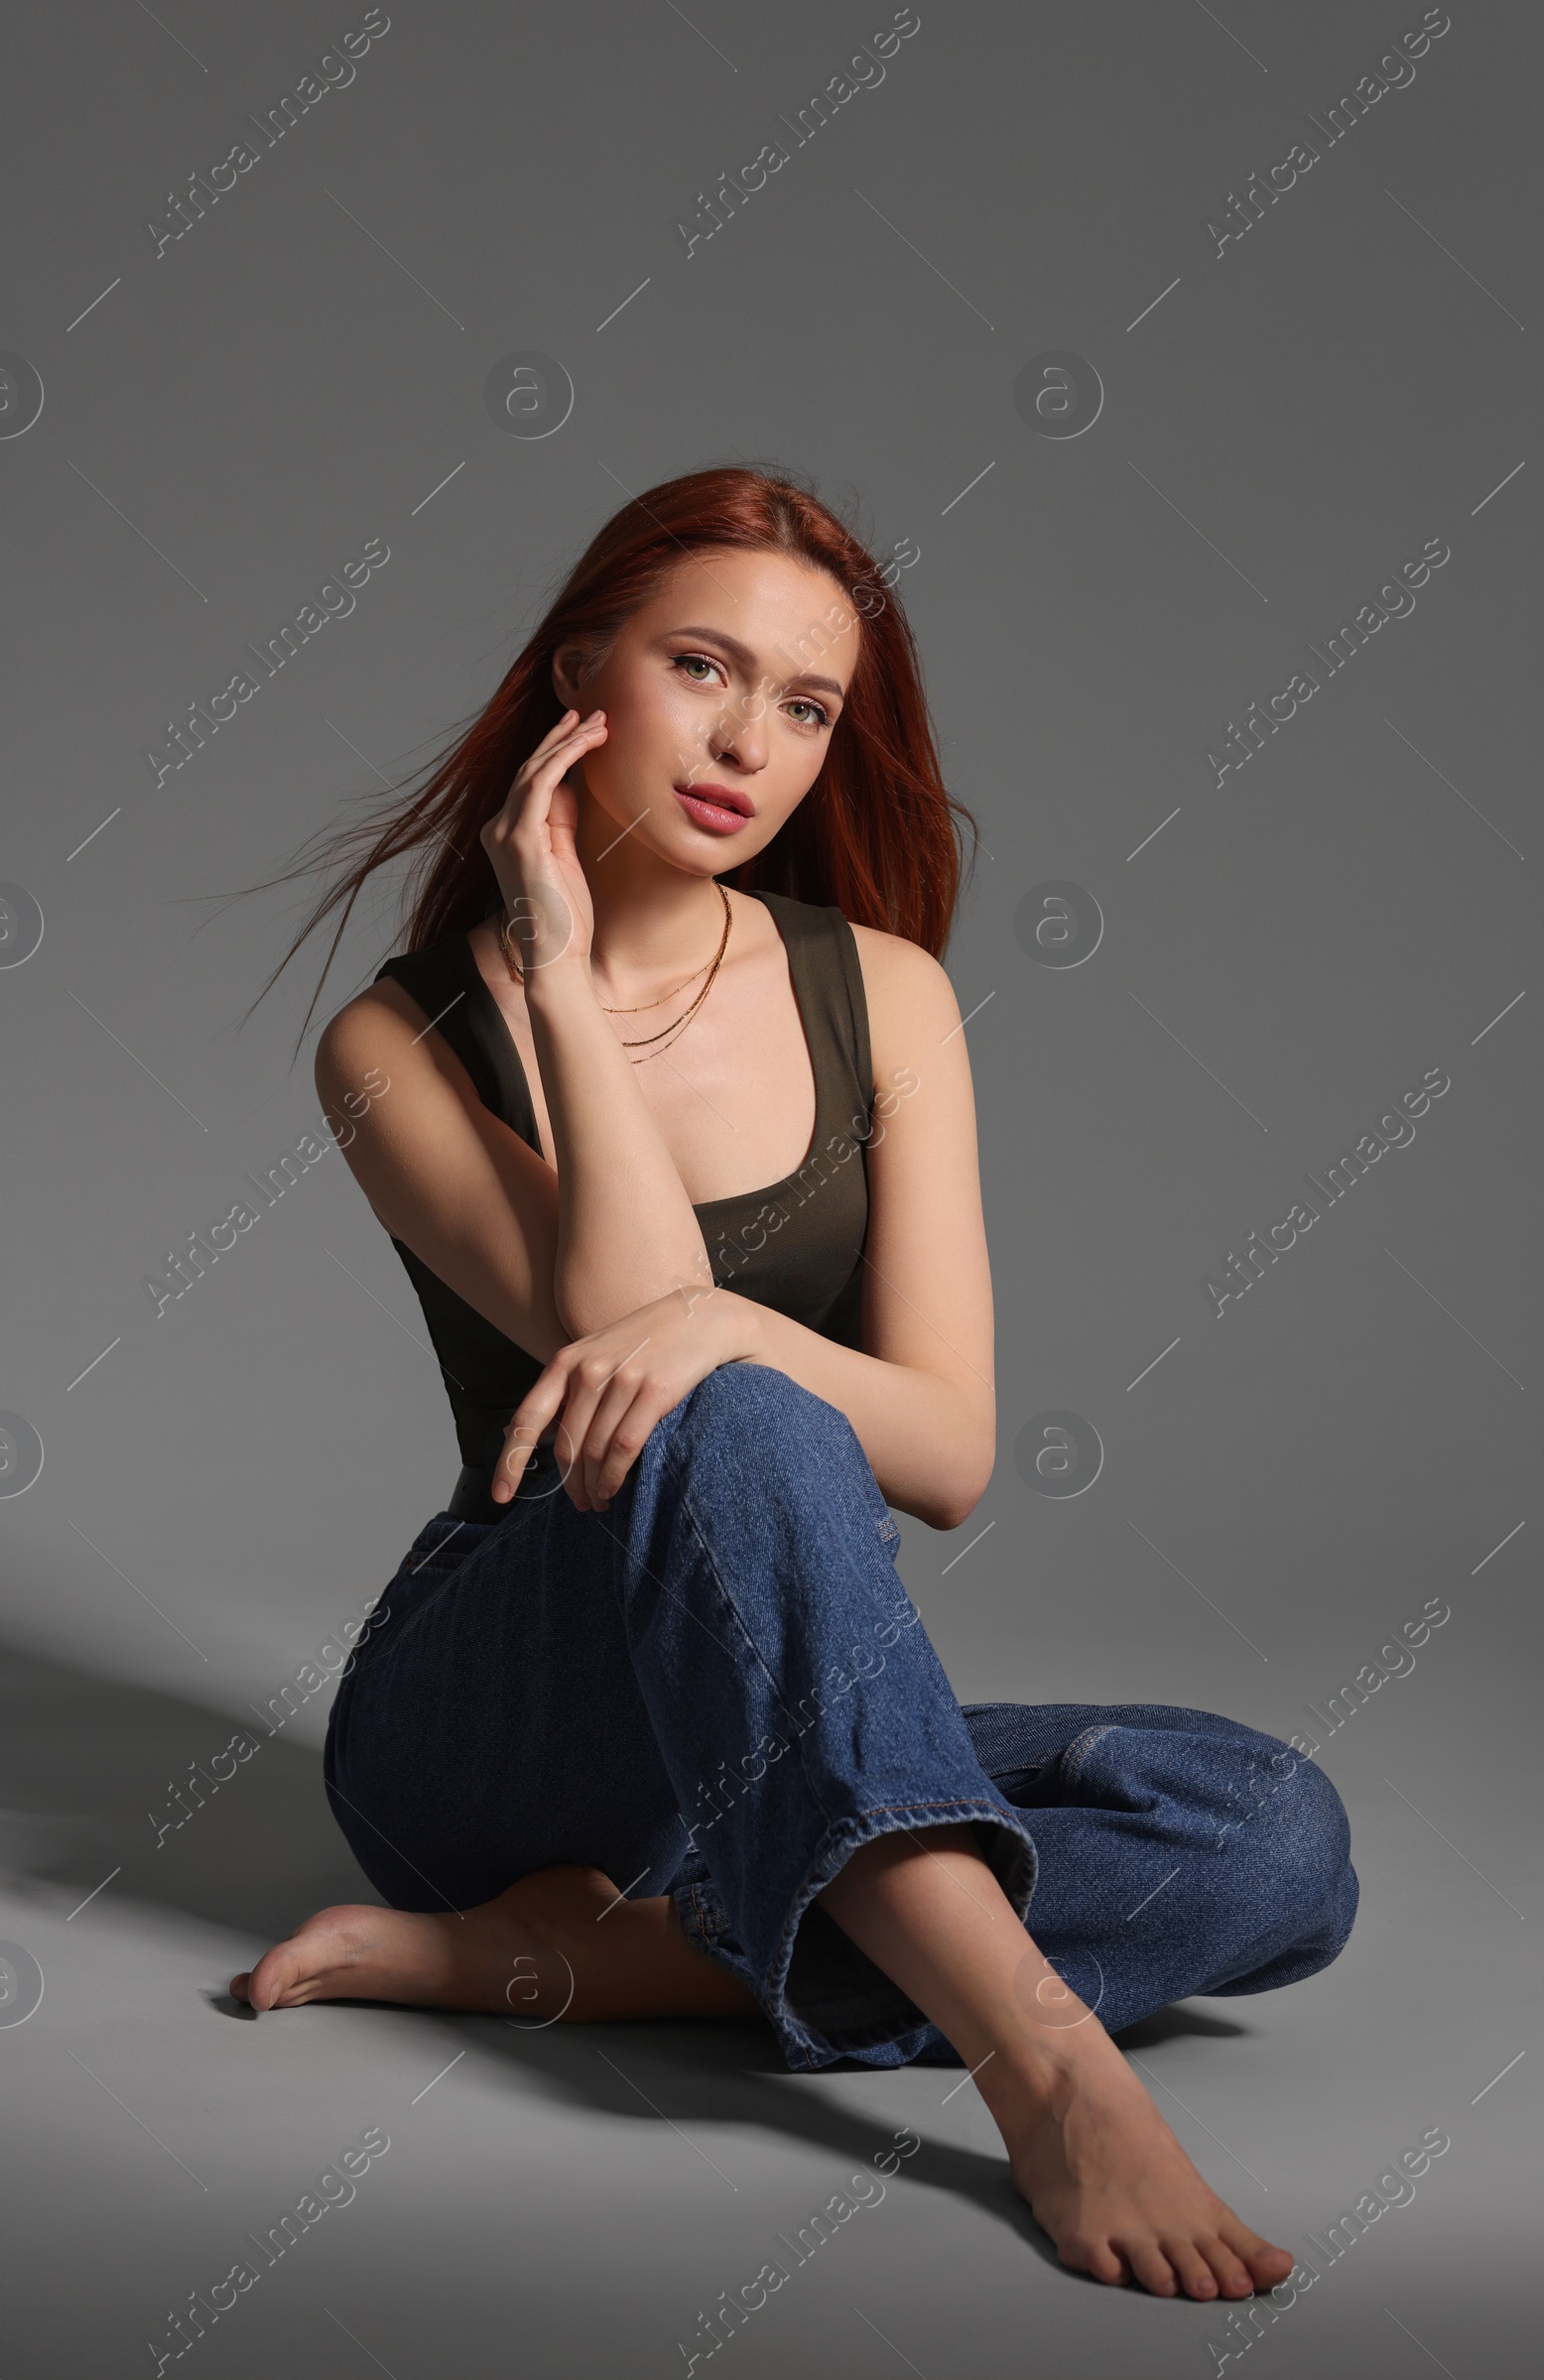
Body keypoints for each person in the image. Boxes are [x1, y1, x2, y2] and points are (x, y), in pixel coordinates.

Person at [231, 467, 1356, 2302]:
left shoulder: (885, 997)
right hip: (501, 1711)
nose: (751, 741)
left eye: (808, 707)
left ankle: (593, 1961)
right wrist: (562, 984)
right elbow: (635, 1333)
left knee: (1269, 1835)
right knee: (724, 1405)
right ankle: (1041, 2064)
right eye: (702, 665)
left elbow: (949, 1453)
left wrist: (741, 1327)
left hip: (759, 1722)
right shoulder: (399, 1039)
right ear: (578, 669)